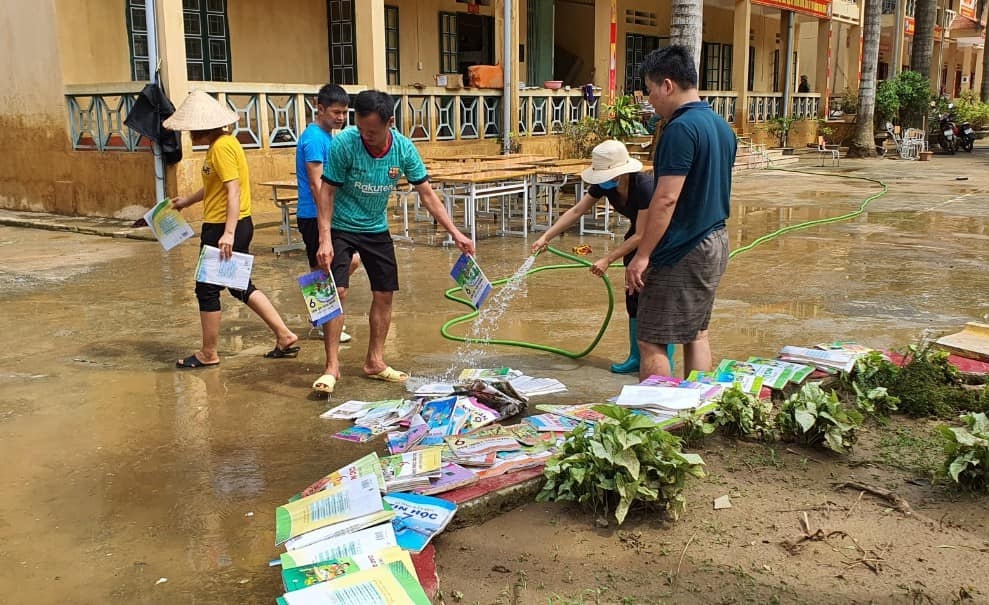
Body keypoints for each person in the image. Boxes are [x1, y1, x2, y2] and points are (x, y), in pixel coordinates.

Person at [313, 89, 474, 394]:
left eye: (371, 131)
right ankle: (331, 367)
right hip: (342, 226)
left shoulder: (403, 149)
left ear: (390, 122)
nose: (365, 136)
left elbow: (426, 193)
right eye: (360, 129)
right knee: (336, 291)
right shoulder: (345, 143)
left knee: (385, 294)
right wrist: (324, 239)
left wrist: (455, 232)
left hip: (376, 227)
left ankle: (375, 361)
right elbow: (327, 192)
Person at [165, 90, 299, 369]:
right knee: (239, 286)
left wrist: (227, 233)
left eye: (192, 131)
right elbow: (215, 186)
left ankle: (208, 353)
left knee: (207, 290)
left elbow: (232, 191)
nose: (189, 136)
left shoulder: (222, 148)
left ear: (204, 128)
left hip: (224, 227)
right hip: (231, 225)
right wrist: (186, 201)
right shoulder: (223, 145)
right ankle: (284, 336)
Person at [626, 45, 736, 380]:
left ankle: (657, 421)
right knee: (696, 332)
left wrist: (642, 255)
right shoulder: (721, 126)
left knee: (652, 340)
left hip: (683, 249)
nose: (650, 100)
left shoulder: (680, 129)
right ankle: (695, 411)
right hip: (715, 240)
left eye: (650, 90)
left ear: (668, 85)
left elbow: (665, 199)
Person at [531, 139, 674, 374]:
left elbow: (642, 234)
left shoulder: (645, 187)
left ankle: (662, 364)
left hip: (660, 242)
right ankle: (636, 358)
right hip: (636, 240)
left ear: (623, 173)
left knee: (655, 304)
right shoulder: (605, 186)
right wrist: (547, 236)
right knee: (633, 296)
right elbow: (577, 210)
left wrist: (607, 259)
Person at [295, 83, 359, 347]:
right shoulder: (313, 139)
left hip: (326, 214)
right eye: (336, 112)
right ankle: (324, 322)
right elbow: (316, 183)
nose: (341, 118)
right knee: (326, 269)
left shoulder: (328, 137)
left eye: (344, 112)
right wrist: (327, 221)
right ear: (319, 109)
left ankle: (322, 314)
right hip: (314, 214)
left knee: (344, 264)